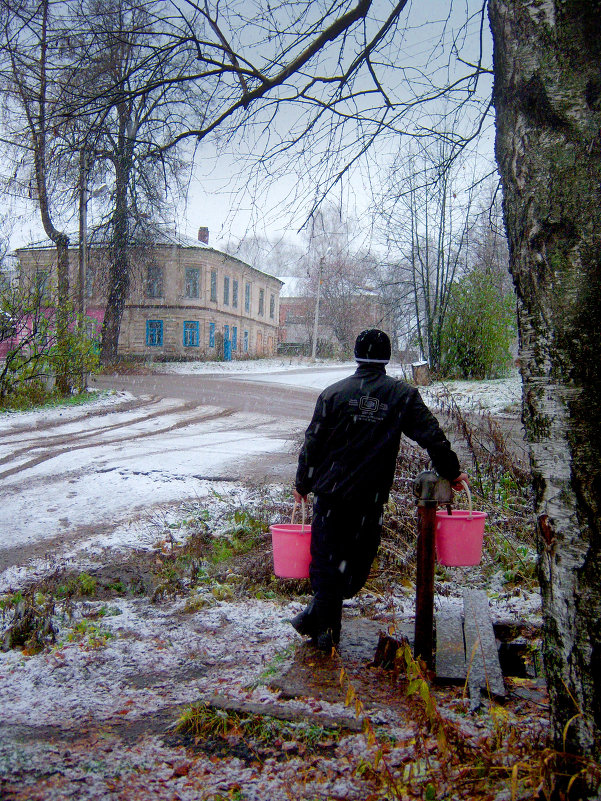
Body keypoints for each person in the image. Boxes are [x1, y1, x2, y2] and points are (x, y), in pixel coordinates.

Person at [291, 329, 468, 651]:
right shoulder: (401, 396)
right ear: (386, 357)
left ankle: (317, 621)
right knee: (354, 565)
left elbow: (312, 443)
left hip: (330, 495)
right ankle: (324, 632)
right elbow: (432, 436)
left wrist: (302, 483)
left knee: (329, 564)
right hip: (367, 499)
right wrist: (452, 471)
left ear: (356, 355)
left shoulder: (334, 394)